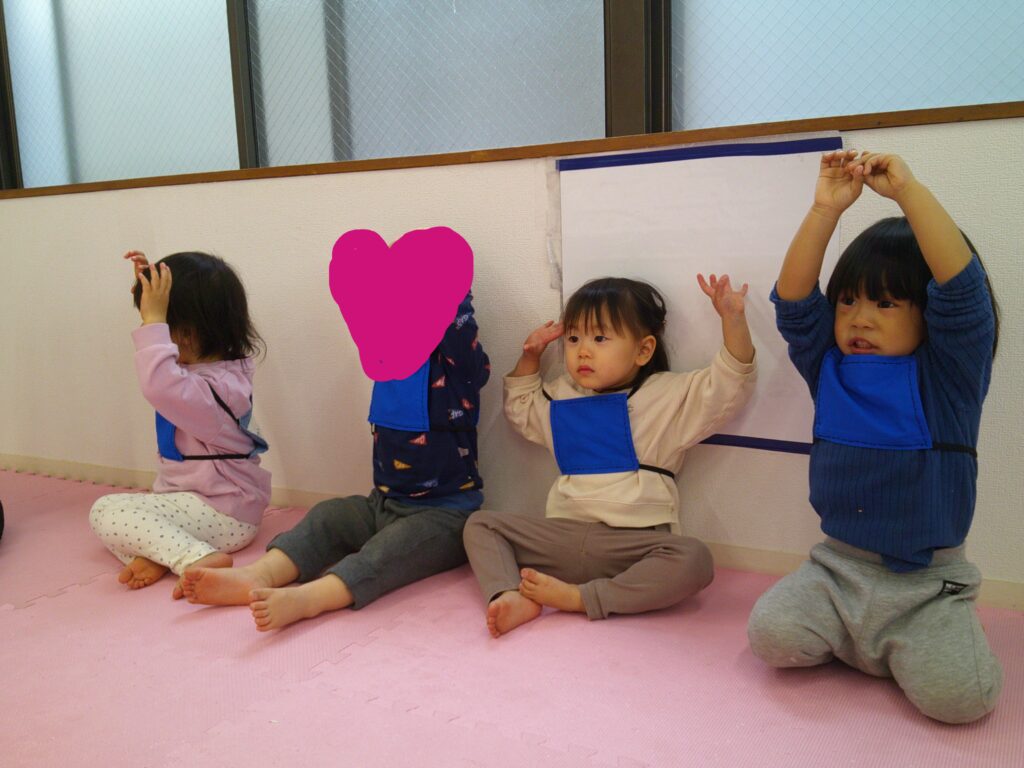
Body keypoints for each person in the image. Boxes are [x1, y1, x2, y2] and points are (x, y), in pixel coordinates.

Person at [747, 150, 1003, 724]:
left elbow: (965, 296)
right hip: (836, 572)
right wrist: (824, 210)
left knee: (962, 701)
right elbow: (794, 304)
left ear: (928, 315)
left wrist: (908, 192)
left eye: (886, 303)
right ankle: (876, 647)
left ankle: (909, 639)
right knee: (770, 636)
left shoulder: (950, 379)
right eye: (848, 301)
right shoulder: (828, 366)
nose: (860, 318)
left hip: (927, 586)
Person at [463, 274, 756, 637]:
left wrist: (733, 320)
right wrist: (530, 357)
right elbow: (521, 408)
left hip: (631, 547)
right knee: (480, 524)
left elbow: (728, 384)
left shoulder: (666, 395)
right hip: (562, 537)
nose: (582, 351)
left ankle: (582, 598)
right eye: (573, 338)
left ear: (643, 350)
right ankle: (509, 595)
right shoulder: (561, 395)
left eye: (600, 338)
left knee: (694, 559)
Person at [182, 293, 490, 631]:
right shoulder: (388, 357)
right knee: (326, 516)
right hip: (381, 504)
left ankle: (312, 598)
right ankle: (260, 573)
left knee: (385, 552)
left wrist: (448, 293)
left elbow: (463, 340)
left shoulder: (458, 369)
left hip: (444, 516)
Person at [90, 251, 271, 599]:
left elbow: (159, 383)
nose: (153, 334)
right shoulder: (209, 375)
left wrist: (153, 320)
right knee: (126, 521)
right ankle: (162, 555)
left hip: (223, 514)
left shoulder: (212, 393)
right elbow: (165, 374)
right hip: (198, 507)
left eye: (160, 326)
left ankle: (193, 557)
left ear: (185, 334)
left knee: (105, 512)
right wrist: (148, 289)